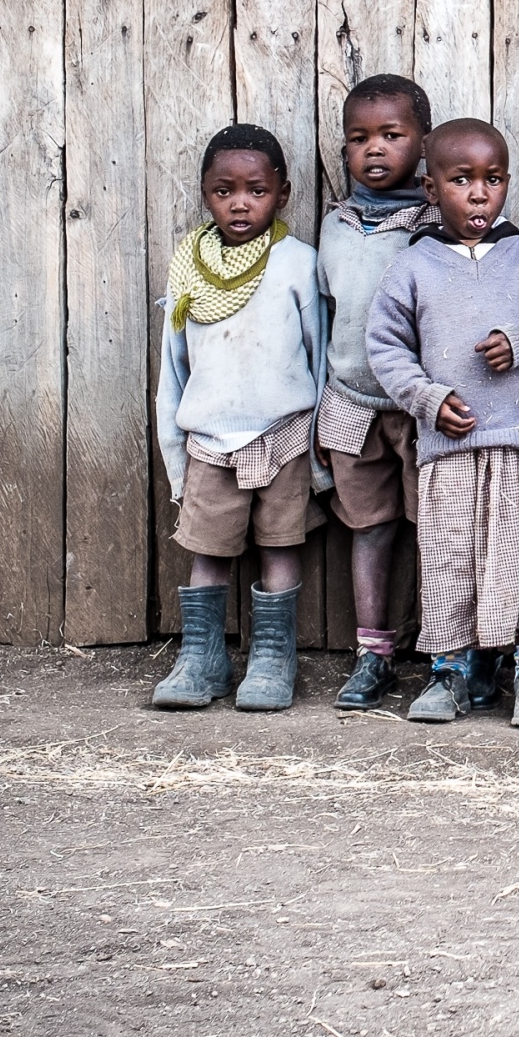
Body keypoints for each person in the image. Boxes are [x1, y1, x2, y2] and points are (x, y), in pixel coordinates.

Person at [366, 119, 519, 727]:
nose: (480, 193)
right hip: (450, 449)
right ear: (431, 190)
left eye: (493, 179)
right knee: (450, 561)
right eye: (461, 180)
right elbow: (385, 346)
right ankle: (450, 673)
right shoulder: (413, 266)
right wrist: (426, 398)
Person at [152, 124, 329, 713]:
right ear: (206, 194)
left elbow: (320, 358)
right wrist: (176, 453)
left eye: (256, 190)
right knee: (208, 551)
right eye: (223, 191)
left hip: (284, 437)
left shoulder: (297, 263)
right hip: (210, 441)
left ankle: (273, 659)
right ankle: (201, 659)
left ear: (282, 194)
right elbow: (174, 367)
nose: (240, 203)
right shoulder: (189, 268)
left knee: (280, 547)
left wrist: (321, 449)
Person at [315, 76, 439, 713]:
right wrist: (318, 408)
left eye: (392, 135)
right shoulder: (334, 226)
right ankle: (374, 653)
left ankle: (445, 652)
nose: (375, 149)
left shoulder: (438, 225)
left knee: (435, 529)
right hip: (351, 404)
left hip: (423, 411)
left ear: (423, 142)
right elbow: (324, 320)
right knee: (369, 527)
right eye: (359, 137)